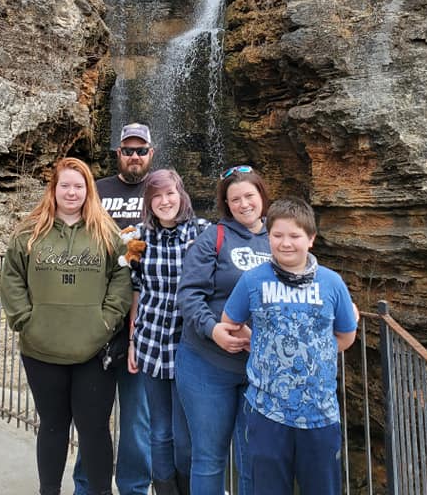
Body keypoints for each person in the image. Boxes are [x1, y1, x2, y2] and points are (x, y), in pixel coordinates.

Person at [0, 157, 132, 495]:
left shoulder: (107, 232)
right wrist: (25, 321)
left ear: (88, 190)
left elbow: (121, 277)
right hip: (41, 348)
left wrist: (107, 320)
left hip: (94, 350)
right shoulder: (29, 233)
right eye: (65, 185)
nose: (72, 192)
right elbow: (12, 278)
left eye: (79, 186)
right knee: (53, 427)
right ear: (53, 189)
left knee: (94, 429)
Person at [222, 198, 358, 495]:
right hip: (266, 412)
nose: (286, 243)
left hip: (320, 414)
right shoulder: (252, 280)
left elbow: (346, 336)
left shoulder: (332, 283)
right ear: (267, 236)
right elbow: (230, 321)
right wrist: (256, 343)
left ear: (310, 239)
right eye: (277, 235)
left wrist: (310, 352)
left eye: (295, 236)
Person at [175, 165, 272, 495]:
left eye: (249, 196)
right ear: (226, 205)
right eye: (235, 199)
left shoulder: (280, 237)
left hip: (260, 368)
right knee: (208, 458)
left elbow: (303, 286)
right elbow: (189, 294)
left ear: (262, 196)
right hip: (206, 364)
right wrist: (213, 329)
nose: (244, 204)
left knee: (255, 458)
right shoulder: (213, 237)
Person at [73, 122, 154, 495]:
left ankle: (135, 488)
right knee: (92, 416)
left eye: (141, 150)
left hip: (144, 324)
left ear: (151, 154)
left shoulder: (162, 191)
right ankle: (87, 487)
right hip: (97, 320)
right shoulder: (98, 190)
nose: (134, 156)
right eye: (127, 150)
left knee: (138, 419)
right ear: (117, 153)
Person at [128, 168, 208, 495]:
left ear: (181, 194)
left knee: (186, 434)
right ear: (149, 201)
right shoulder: (138, 238)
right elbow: (137, 290)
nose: (165, 201)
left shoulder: (203, 232)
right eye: (156, 196)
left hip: (190, 348)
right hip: (150, 344)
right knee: (159, 432)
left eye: (170, 193)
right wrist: (132, 340)